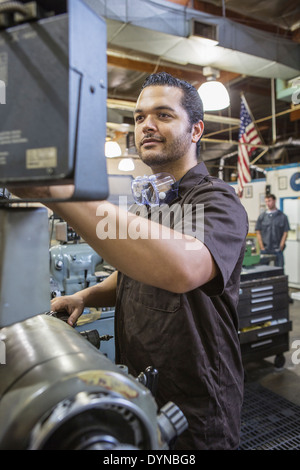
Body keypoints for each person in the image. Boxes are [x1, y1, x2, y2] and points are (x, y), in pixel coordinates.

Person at [11, 72, 248, 450]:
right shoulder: (145, 205)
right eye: (139, 117)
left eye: (163, 115)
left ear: (197, 129)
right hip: (137, 387)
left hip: (196, 404)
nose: (147, 126)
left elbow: (182, 268)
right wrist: (84, 297)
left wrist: (61, 193)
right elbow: (131, 278)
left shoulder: (217, 202)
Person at [256, 194, 290, 268]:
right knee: (263, 271)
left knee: (279, 270)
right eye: (266, 201)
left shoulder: (282, 216)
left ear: (274, 201)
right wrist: (261, 247)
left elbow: (285, 232)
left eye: (269, 201)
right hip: (265, 249)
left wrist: (281, 246)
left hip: (277, 249)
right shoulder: (262, 217)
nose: (268, 203)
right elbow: (258, 232)